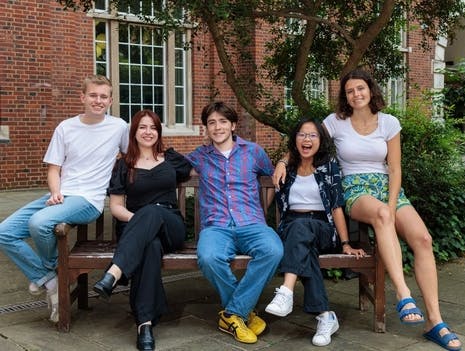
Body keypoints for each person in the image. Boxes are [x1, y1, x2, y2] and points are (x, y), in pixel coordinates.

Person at [274, 69, 461, 351]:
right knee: (383, 216)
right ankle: (403, 293)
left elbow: (395, 168)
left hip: (387, 187)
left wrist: (392, 200)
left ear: (371, 90)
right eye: (349, 91)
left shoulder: (389, 123)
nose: (356, 94)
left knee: (424, 240)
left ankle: (434, 321)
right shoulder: (335, 122)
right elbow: (306, 139)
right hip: (355, 188)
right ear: (345, 97)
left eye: (360, 88)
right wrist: (282, 160)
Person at [0, 75, 128, 323]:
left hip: (88, 201)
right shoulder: (66, 127)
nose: (98, 100)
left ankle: (54, 274)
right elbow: (53, 168)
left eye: (103, 96)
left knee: (39, 223)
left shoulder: (119, 127)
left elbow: (129, 156)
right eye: (93, 95)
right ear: (82, 97)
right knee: (4, 232)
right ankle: (51, 279)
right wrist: (56, 191)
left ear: (111, 100)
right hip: (61, 194)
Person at [92, 110, 192, 351]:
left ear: (158, 132)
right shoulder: (123, 165)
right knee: (150, 246)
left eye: (153, 128)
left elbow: (194, 169)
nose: (148, 132)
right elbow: (116, 207)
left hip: (171, 226)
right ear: (134, 132)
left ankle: (115, 273)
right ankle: (144, 325)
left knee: (152, 212)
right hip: (138, 230)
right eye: (142, 127)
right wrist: (142, 222)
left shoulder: (170, 159)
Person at [185, 101, 284, 344]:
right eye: (211, 123)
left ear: (233, 125)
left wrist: (263, 209)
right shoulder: (199, 156)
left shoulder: (253, 152)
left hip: (251, 223)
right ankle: (243, 313)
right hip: (216, 226)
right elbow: (166, 164)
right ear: (206, 128)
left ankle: (231, 314)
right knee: (208, 257)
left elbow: (272, 176)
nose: (217, 127)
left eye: (222, 121)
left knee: (273, 250)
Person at [264, 118, 365, 347]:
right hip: (291, 227)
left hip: (322, 227)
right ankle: (326, 316)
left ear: (321, 141)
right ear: (294, 139)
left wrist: (345, 242)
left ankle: (286, 291)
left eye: (312, 135)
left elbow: (336, 206)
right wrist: (281, 161)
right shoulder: (287, 167)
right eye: (301, 134)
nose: (306, 139)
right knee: (303, 245)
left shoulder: (328, 165)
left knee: (302, 229)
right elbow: (272, 194)